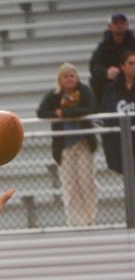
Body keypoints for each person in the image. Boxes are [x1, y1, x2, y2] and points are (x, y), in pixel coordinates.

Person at [36, 63, 99, 226]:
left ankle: (90, 219)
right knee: (70, 186)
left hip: (83, 143)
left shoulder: (84, 91)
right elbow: (41, 113)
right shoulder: (54, 95)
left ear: (76, 77)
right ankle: (75, 221)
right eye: (65, 76)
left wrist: (63, 113)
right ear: (60, 79)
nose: (69, 79)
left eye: (72, 75)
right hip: (64, 146)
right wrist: (58, 113)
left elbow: (91, 108)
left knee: (87, 182)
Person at [101, 49, 135, 174]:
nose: (134, 67)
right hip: (120, 140)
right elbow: (108, 112)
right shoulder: (112, 89)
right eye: (130, 64)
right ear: (122, 66)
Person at [89, 12, 135, 104]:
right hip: (111, 81)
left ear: (127, 25)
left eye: (122, 23)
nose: (119, 26)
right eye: (116, 23)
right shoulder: (103, 46)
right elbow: (94, 67)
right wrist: (106, 72)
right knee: (94, 81)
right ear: (110, 26)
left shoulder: (133, 43)